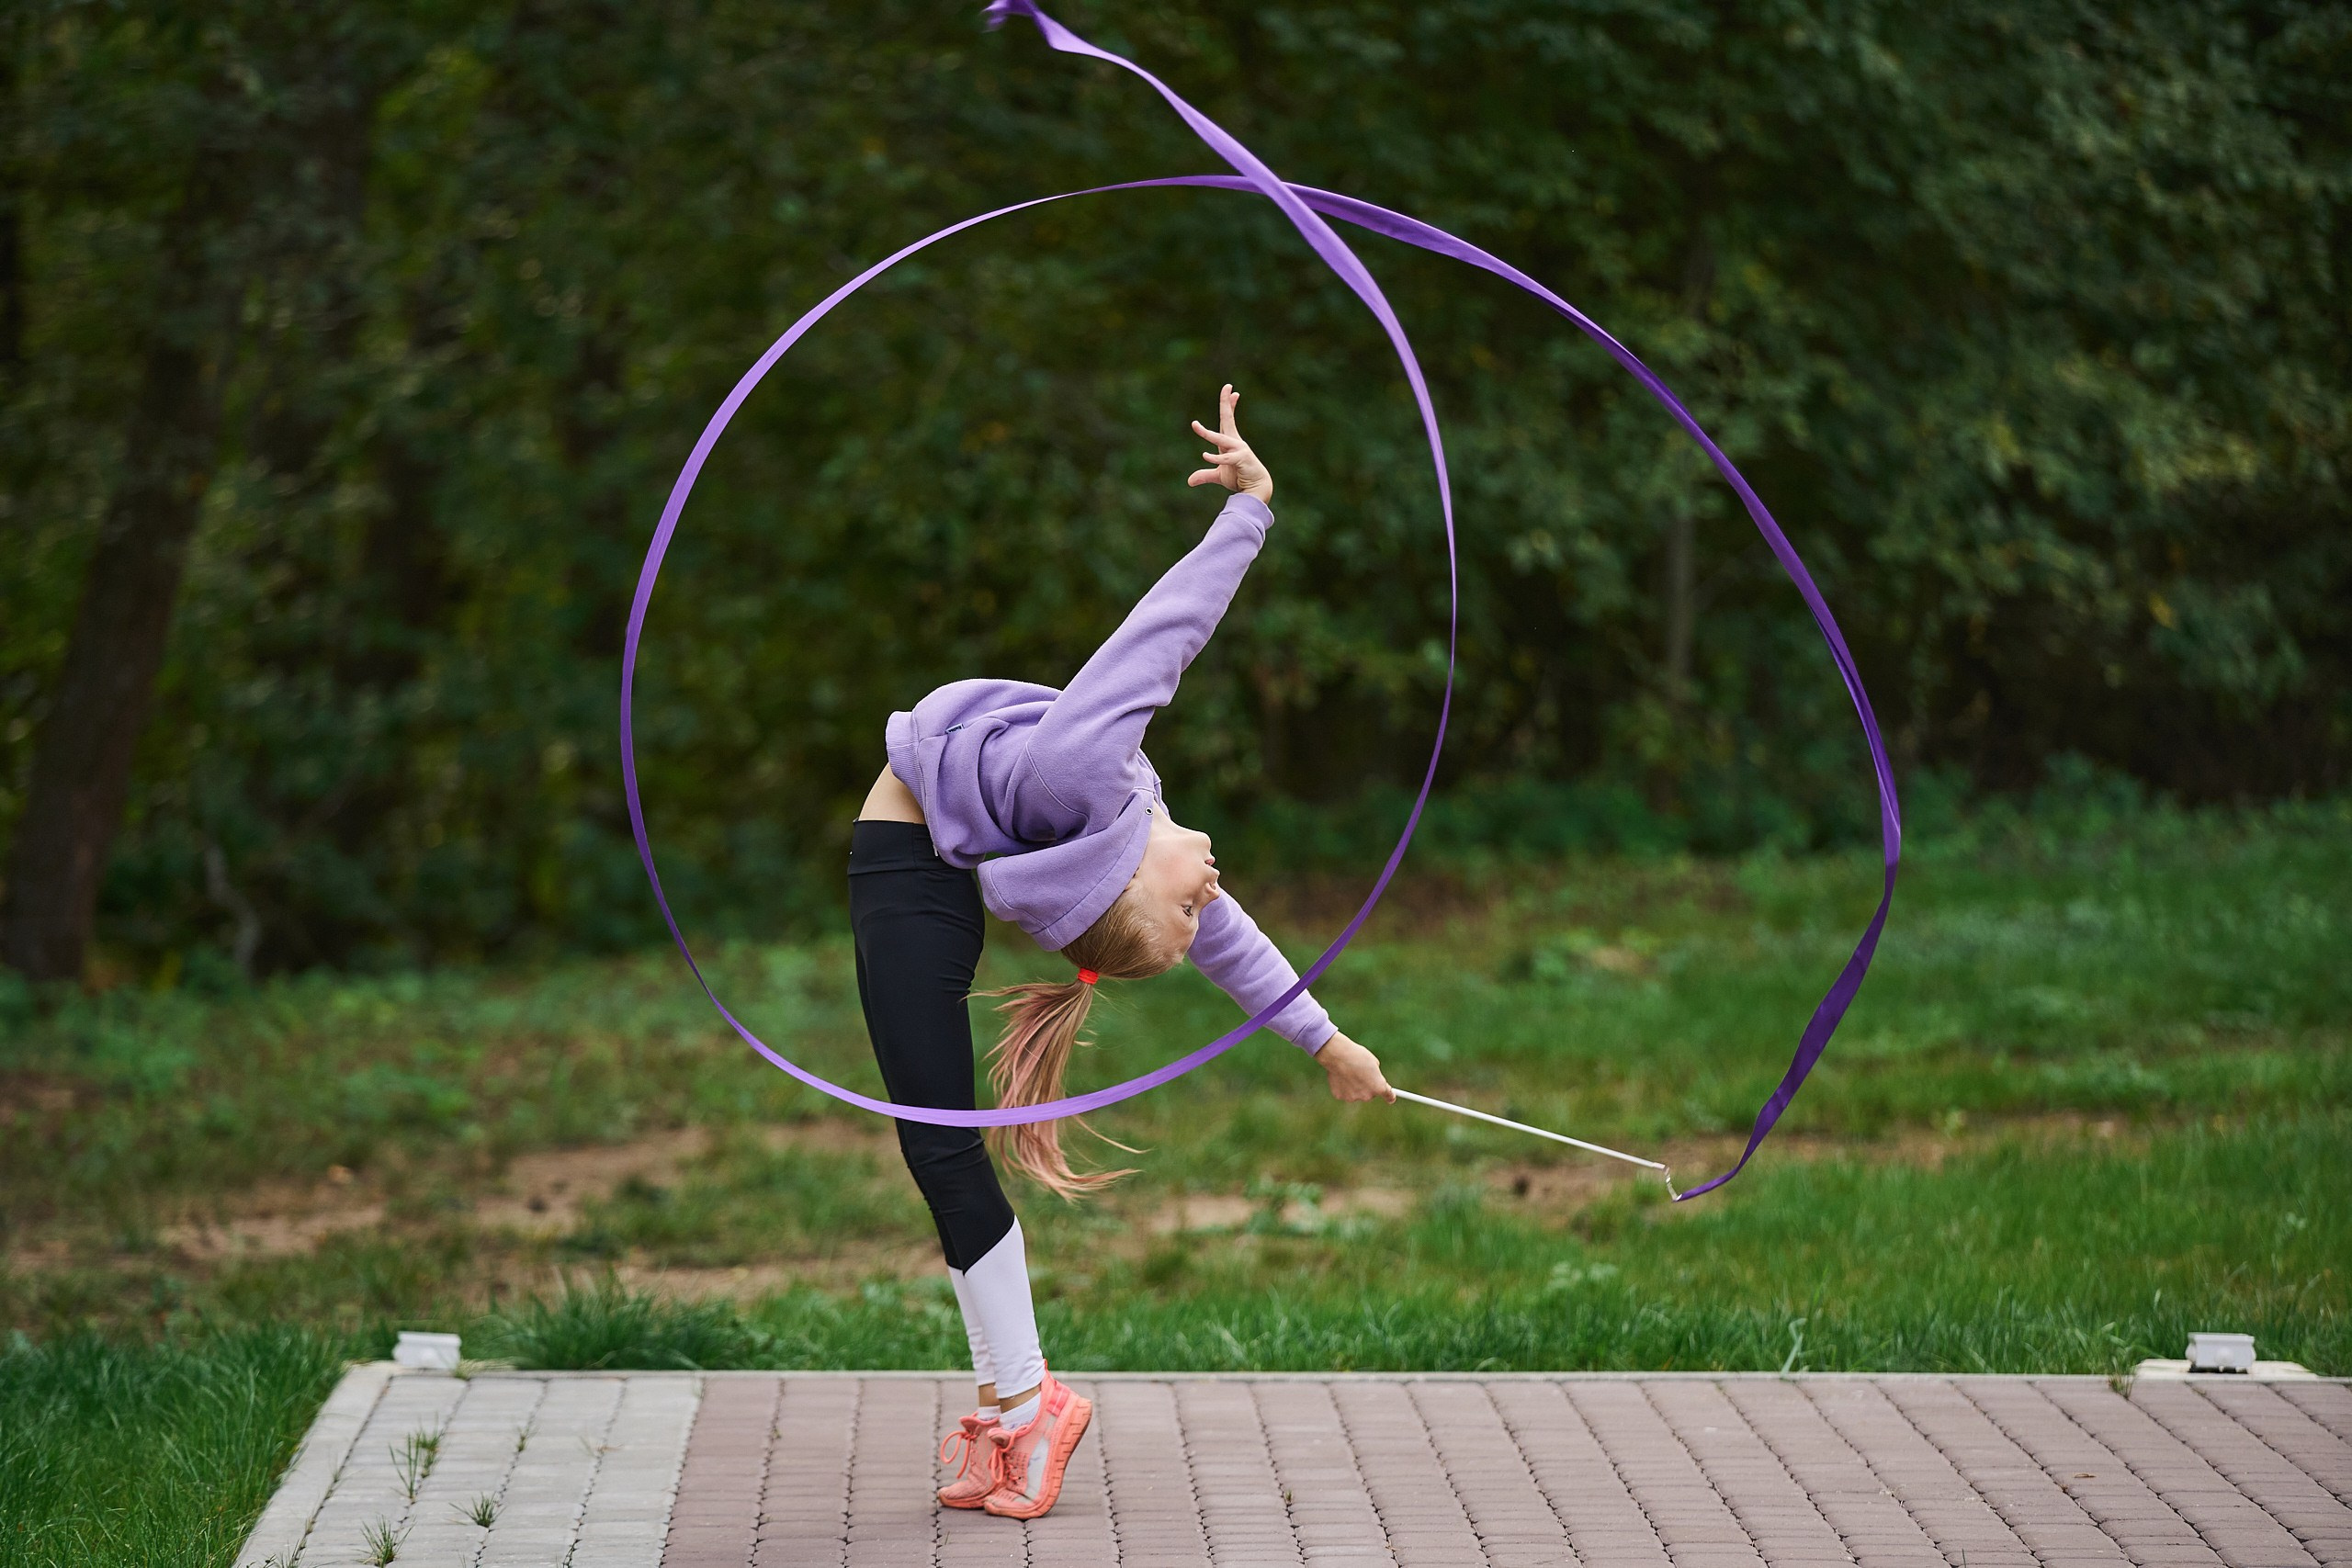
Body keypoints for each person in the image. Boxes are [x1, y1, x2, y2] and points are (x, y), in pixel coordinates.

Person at [848, 385, 1394, 1519]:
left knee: (940, 1145)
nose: (1213, 897)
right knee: (939, 1145)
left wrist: (1327, 1043)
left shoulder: (1093, 794)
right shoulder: (1112, 810)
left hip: (909, 855)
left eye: (1188, 910)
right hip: (921, 849)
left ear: (1124, 885)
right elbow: (1160, 648)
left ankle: (1025, 1405)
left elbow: (1157, 644)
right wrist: (1248, 510)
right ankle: (1012, 1406)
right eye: (1198, 906)